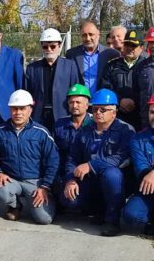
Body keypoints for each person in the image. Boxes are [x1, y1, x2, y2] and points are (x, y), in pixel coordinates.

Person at [63, 89, 135, 237]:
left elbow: (122, 157)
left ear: (114, 112)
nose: (98, 113)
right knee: (70, 200)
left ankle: (112, 221)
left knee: (112, 174)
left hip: (117, 182)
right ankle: (98, 211)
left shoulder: (126, 130)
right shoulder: (85, 130)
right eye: (95, 109)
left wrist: (91, 165)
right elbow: (72, 157)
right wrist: (71, 180)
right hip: (91, 180)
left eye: (103, 110)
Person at [0, 90, 58, 225]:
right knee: (3, 192)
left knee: (44, 219)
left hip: (35, 181)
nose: (18, 112)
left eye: (22, 108)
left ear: (30, 110)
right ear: (10, 109)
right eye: (14, 108)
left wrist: (45, 186)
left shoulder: (41, 132)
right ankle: (15, 206)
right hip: (11, 179)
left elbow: (53, 160)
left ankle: (50, 201)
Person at [26, 28, 80, 132]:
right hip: (39, 116)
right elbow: (27, 93)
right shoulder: (32, 68)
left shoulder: (70, 66)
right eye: (45, 46)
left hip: (63, 115)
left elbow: (75, 92)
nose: (49, 49)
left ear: (59, 46)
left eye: (53, 46)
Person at [53, 84, 93, 190]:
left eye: (78, 102)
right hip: (65, 173)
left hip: (89, 172)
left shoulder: (95, 124)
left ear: (87, 105)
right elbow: (54, 153)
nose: (74, 106)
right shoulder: (60, 124)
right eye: (71, 102)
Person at [101, 29, 144, 129]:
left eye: (133, 45)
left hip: (140, 118)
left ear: (141, 47)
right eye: (127, 44)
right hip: (116, 117)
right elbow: (105, 88)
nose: (129, 48)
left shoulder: (147, 66)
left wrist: (134, 102)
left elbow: (149, 91)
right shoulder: (111, 65)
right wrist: (119, 100)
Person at [124, 95, 154, 235]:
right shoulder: (138, 139)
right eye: (152, 112)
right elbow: (142, 169)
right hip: (149, 191)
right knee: (131, 215)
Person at [65, 20, 118, 96]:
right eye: (84, 35)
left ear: (98, 34)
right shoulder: (71, 54)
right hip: (80, 99)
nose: (88, 38)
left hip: (103, 100)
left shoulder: (111, 54)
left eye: (91, 34)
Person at [132, 27, 154, 130]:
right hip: (146, 121)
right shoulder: (140, 66)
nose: (153, 45)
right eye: (151, 42)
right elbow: (136, 92)